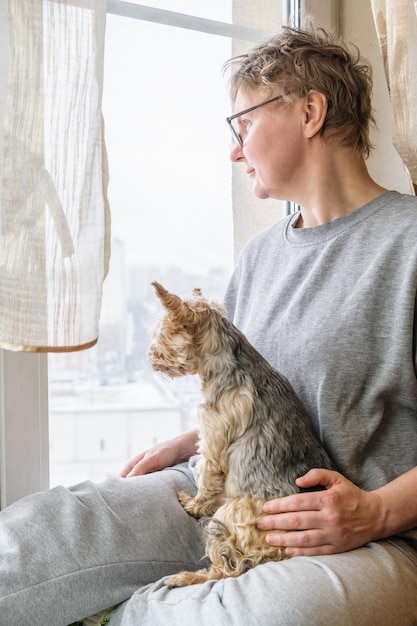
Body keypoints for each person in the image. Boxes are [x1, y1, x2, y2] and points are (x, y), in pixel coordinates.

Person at [1, 23, 417, 626]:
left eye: (243, 124)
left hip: (363, 539)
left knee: (282, 615)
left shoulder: (407, 245)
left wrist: (377, 513)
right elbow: (260, 403)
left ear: (310, 112)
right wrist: (194, 439)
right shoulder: (260, 257)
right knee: (49, 533)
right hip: (223, 498)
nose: (234, 147)